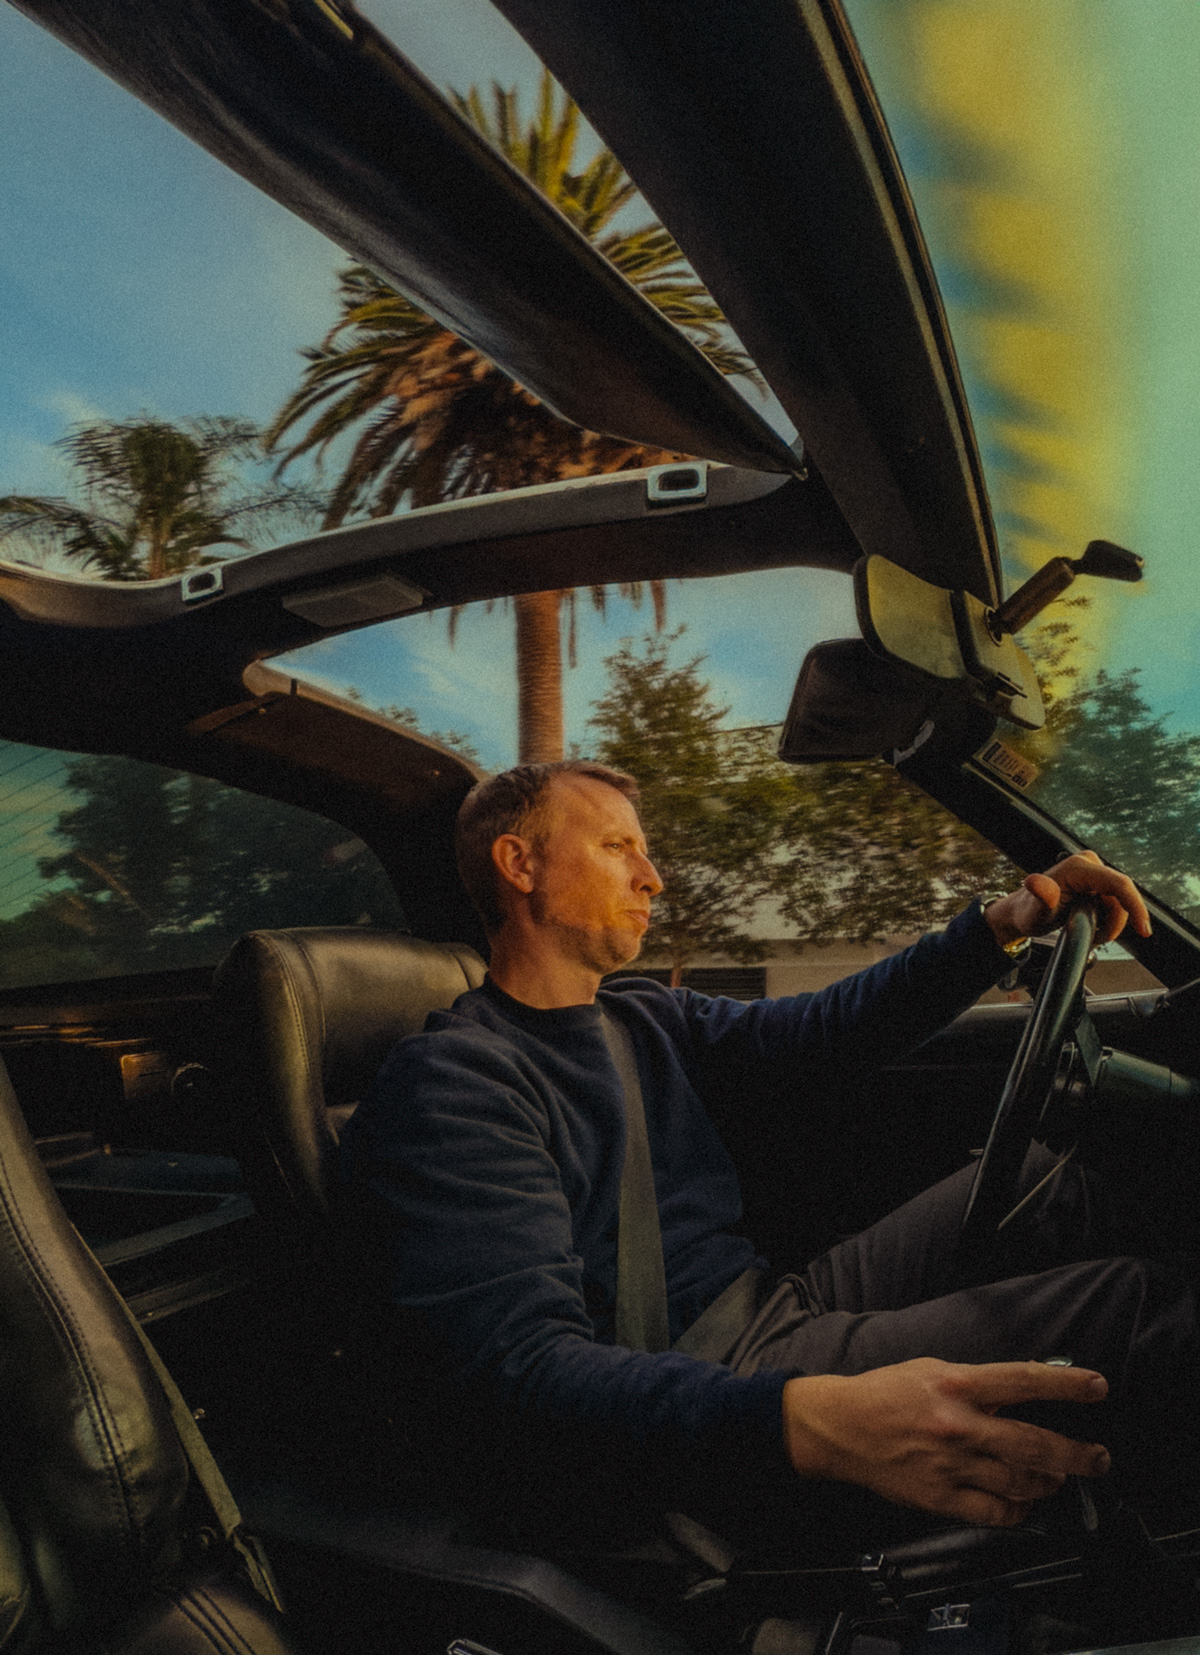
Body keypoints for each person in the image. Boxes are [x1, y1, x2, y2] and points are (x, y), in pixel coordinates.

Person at [341, 759, 1198, 1545]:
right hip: (712, 1379)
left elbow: (824, 1031)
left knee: (1059, 1180)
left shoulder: (643, 1018)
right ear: (519, 865)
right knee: (1126, 1305)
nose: (652, 876)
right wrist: (811, 1419)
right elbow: (525, 1376)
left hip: (775, 1304)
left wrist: (1002, 924)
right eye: (616, 847)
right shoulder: (454, 1084)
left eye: (645, 850)